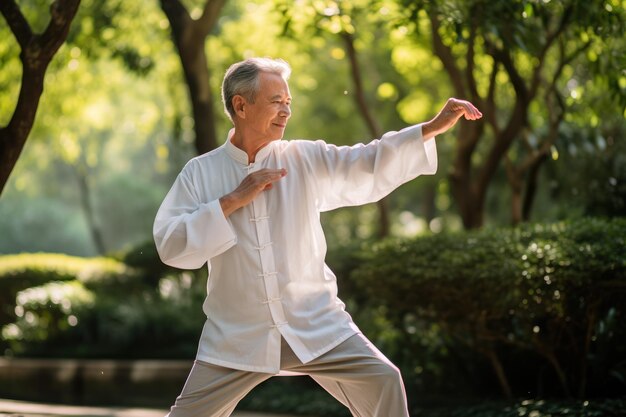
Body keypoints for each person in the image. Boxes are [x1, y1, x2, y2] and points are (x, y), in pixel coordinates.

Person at [153, 57, 482, 417]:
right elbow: (171, 244)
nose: (286, 111)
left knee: (384, 380)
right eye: (276, 101)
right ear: (240, 105)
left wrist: (431, 128)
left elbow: (367, 161)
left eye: (288, 103)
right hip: (237, 334)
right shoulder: (199, 173)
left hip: (313, 322)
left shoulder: (304, 158)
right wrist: (231, 200)